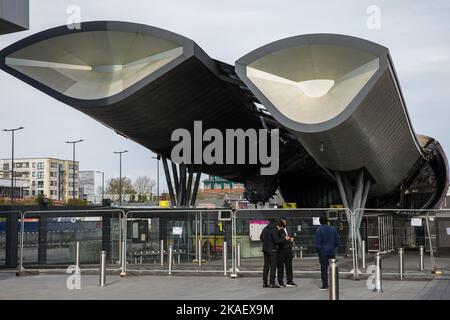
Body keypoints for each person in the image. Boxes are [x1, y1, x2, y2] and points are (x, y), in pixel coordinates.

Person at [315, 215, 340, 290]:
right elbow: (338, 241)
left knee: (324, 269)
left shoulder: (319, 230)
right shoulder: (333, 229)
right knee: (332, 268)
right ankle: (334, 284)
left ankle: (325, 285)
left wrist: (318, 250)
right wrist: (334, 246)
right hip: (332, 251)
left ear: (320, 222)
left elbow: (318, 242)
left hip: (323, 252)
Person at [260, 219, 287, 288]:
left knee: (266, 266)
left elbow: (261, 237)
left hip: (265, 249)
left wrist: (266, 243)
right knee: (273, 266)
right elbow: (277, 241)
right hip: (272, 250)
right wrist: (284, 239)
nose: (279, 229)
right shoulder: (274, 230)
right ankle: (272, 282)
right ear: (278, 225)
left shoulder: (265, 228)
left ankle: (265, 283)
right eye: (280, 228)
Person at [277, 218, 297, 287]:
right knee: (280, 267)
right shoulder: (278, 230)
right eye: (283, 222)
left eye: (285, 222)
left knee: (289, 266)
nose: (284, 223)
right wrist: (286, 239)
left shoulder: (289, 228)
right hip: (281, 250)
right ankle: (280, 281)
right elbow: (278, 239)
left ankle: (290, 281)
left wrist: (292, 238)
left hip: (288, 249)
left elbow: (292, 235)